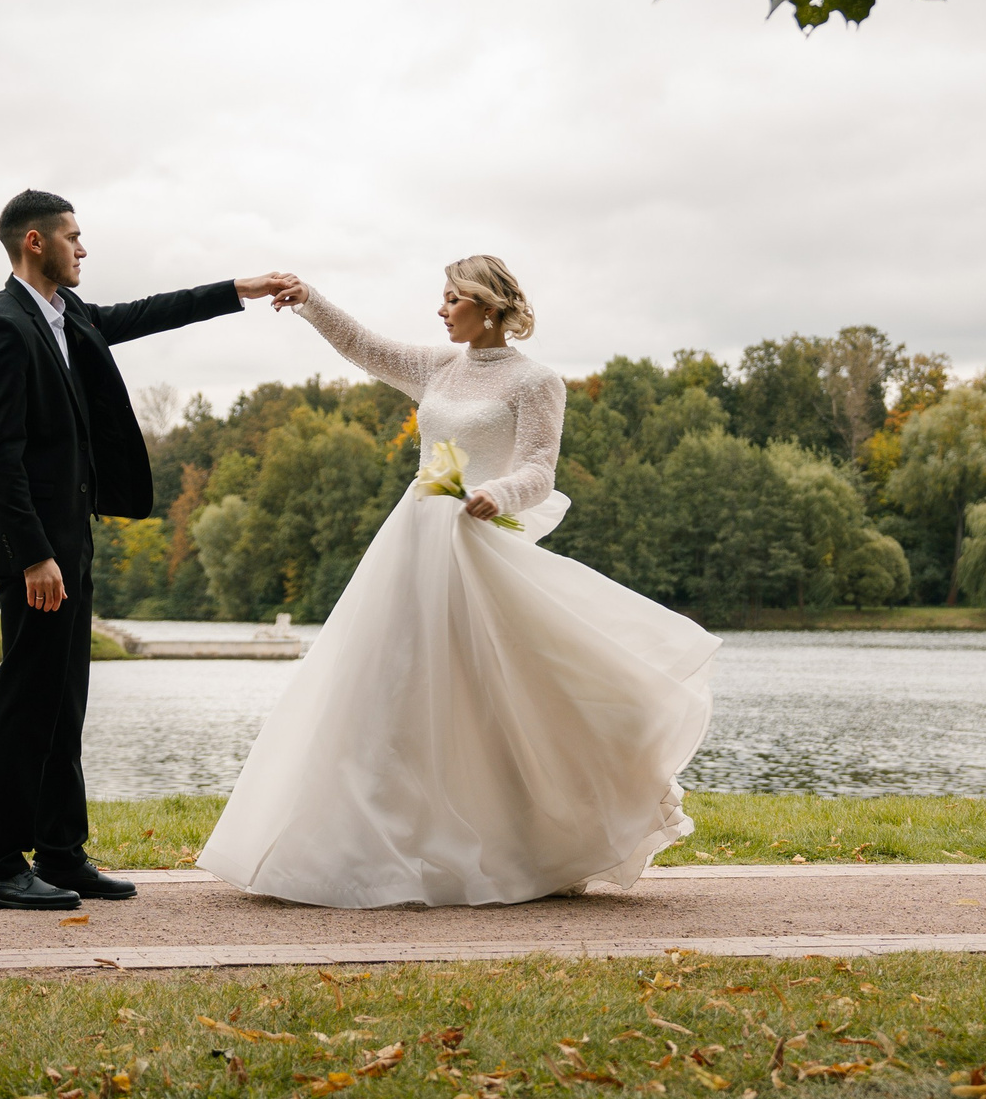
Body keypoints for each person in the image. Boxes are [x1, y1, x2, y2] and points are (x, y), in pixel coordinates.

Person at [197, 256, 718, 908]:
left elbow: (540, 469)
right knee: (386, 687)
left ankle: (523, 841)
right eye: (441, 298)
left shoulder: (536, 381)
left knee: (491, 692)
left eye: (452, 299)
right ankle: (360, 847)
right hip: (413, 539)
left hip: (475, 539)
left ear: (489, 307)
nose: (441, 310)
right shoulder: (438, 367)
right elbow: (362, 345)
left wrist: (500, 493)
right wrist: (309, 299)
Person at [0, 188, 297, 911]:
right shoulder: (2, 329)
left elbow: (149, 312)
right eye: (72, 237)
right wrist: (34, 555)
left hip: (71, 545)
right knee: (26, 702)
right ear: (34, 242)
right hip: (36, 556)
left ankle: (60, 852)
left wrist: (239, 289)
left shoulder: (68, 315)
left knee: (65, 703)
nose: (82, 248)